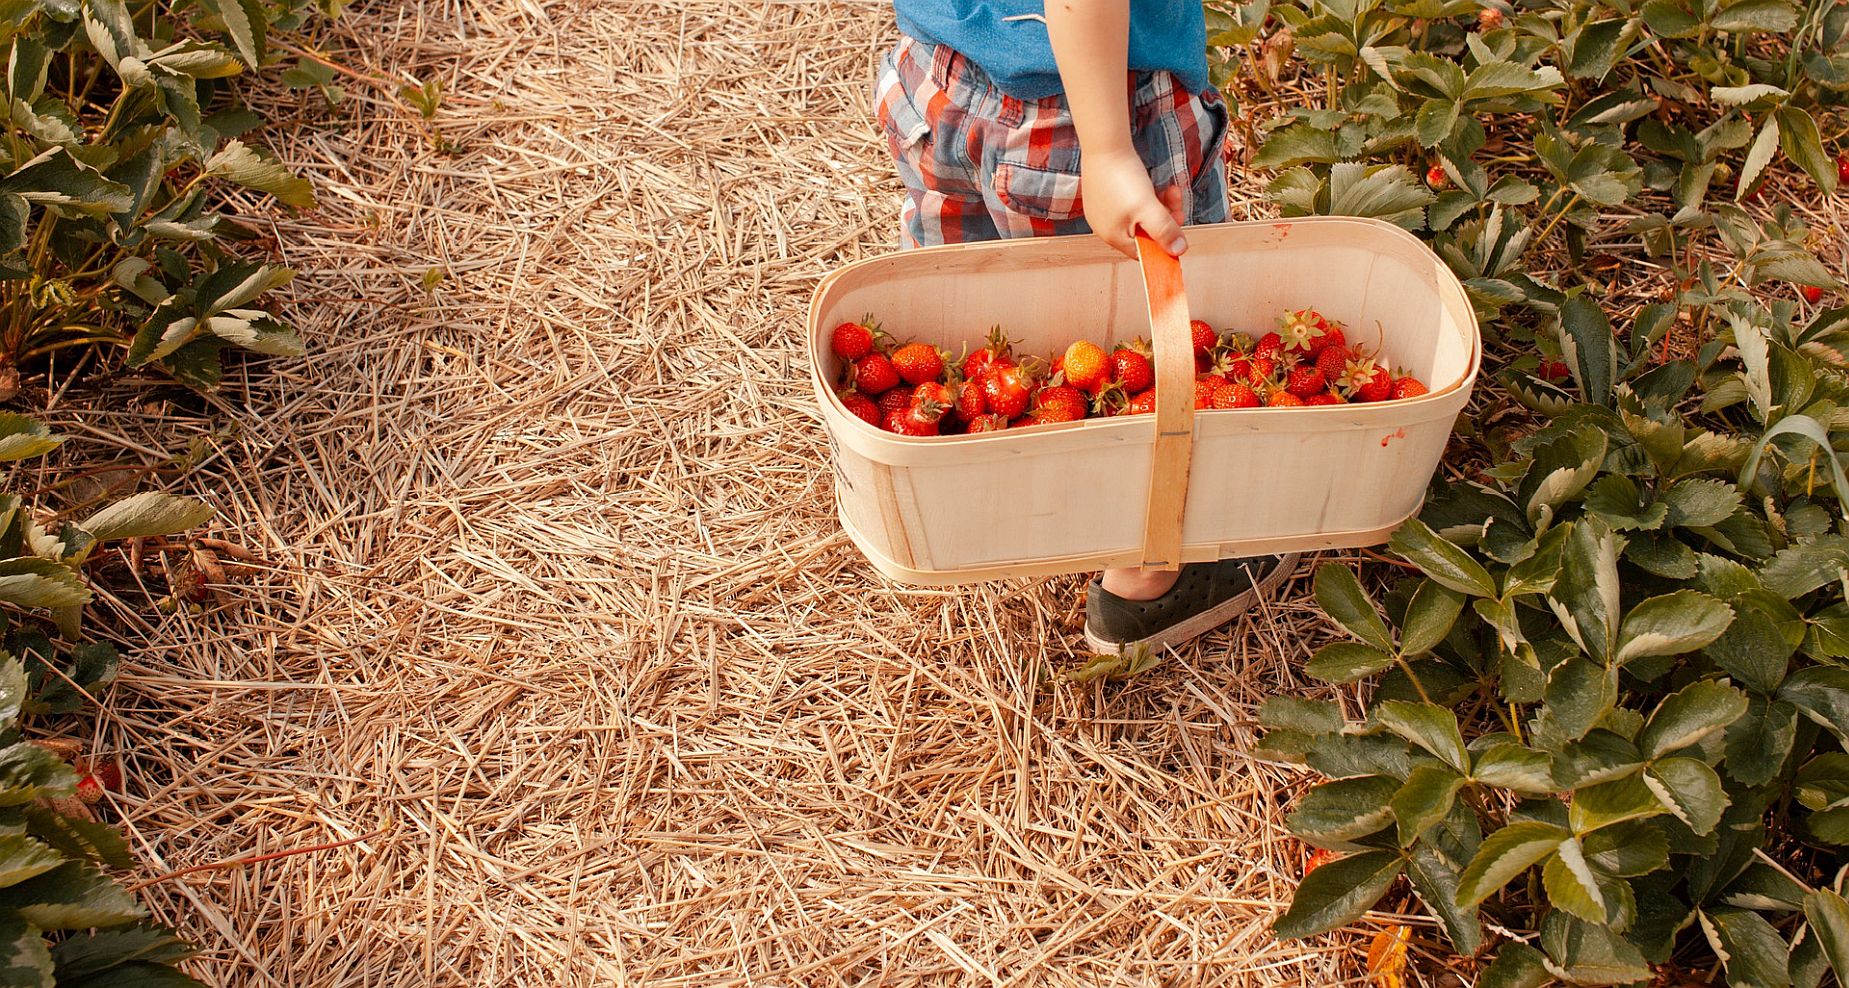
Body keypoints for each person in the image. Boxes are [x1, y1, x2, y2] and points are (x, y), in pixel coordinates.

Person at [873, 0, 1298, 653]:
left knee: (973, 319)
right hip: (1089, 104)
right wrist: (1106, 150)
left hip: (938, 81)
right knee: (1158, 345)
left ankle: (984, 485)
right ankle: (1149, 572)